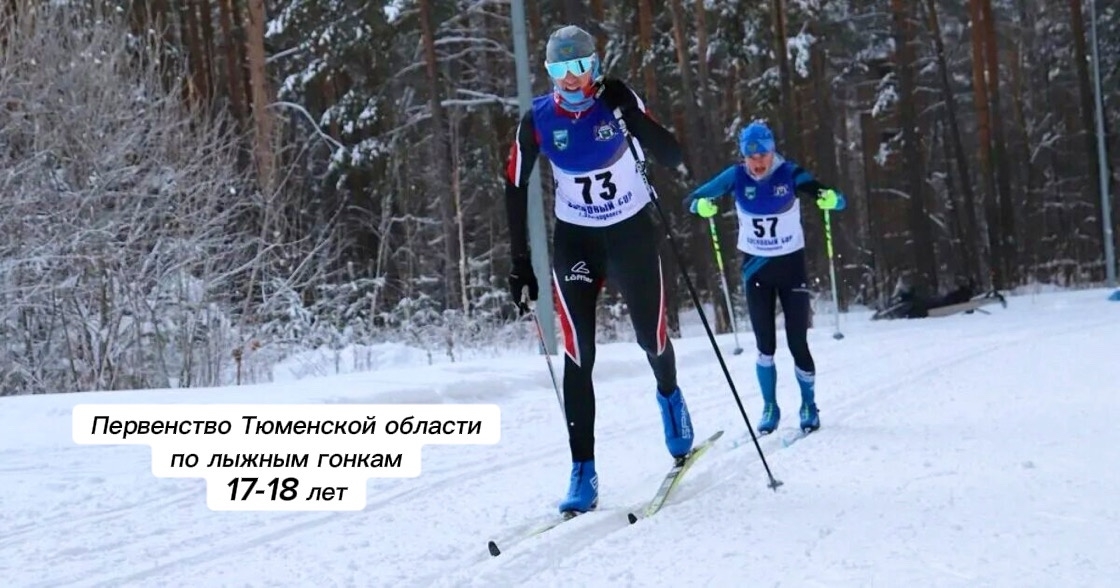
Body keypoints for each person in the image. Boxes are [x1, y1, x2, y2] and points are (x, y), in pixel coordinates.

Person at [503, 24, 694, 514]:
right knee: (578, 353)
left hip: (629, 234)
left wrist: (630, 114)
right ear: (549, 74)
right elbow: (514, 186)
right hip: (577, 242)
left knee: (651, 339)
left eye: (578, 67)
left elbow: (673, 155)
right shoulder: (539, 120)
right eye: (558, 69)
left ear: (594, 66)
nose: (570, 79)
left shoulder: (617, 98)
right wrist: (520, 262)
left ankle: (669, 396)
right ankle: (583, 469)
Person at [684, 121, 846, 435]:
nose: (758, 163)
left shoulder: (791, 173)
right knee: (764, 346)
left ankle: (808, 404)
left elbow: (832, 195)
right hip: (756, 271)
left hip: (791, 269)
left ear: (773, 152)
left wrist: (833, 201)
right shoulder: (736, 176)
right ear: (743, 156)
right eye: (751, 156)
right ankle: (770, 406)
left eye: (763, 155)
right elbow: (693, 198)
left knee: (798, 342)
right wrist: (700, 206)